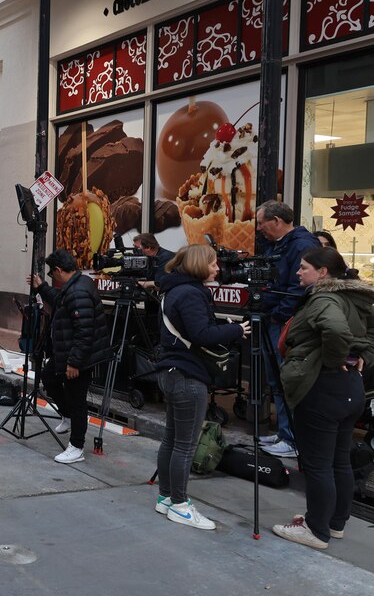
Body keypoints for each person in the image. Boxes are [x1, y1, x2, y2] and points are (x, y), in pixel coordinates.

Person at [271, 247, 374, 550]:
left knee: (317, 464)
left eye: (304, 268)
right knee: (338, 459)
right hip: (348, 389)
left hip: (322, 388)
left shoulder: (324, 299)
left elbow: (336, 331)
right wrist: (360, 357)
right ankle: (334, 522)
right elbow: (367, 334)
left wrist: (335, 358)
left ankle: (316, 530)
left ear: (323, 272)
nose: (298, 272)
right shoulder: (355, 298)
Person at [155, 244, 250, 530]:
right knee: (185, 445)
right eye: (212, 263)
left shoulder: (173, 289)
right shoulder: (191, 293)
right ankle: (181, 505)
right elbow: (202, 334)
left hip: (172, 371)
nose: (217, 268)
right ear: (198, 264)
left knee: (171, 440)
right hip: (187, 375)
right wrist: (237, 329)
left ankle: (166, 498)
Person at [28, 249, 111, 464]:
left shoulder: (78, 291)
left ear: (58, 270)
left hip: (78, 356)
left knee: (77, 399)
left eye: (51, 274)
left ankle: (76, 447)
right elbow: (59, 301)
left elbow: (84, 331)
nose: (51, 277)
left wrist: (74, 362)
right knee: (49, 377)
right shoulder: (75, 284)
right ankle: (66, 415)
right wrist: (42, 287)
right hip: (67, 352)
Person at [256, 201, 321, 458]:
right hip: (276, 319)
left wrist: (277, 316)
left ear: (277, 221)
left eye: (262, 222)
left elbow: (299, 288)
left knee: (288, 379)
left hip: (286, 324)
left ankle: (292, 437)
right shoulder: (281, 244)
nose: (259, 228)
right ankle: (285, 432)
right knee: (277, 379)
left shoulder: (302, 245)